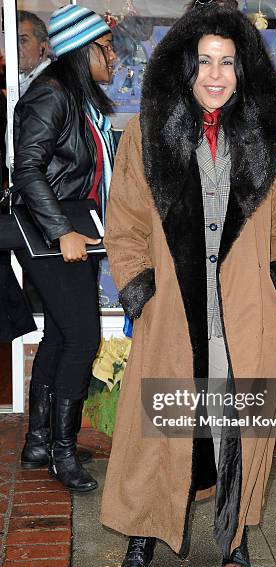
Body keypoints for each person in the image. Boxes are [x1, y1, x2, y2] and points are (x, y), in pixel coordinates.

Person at [101, 2, 276, 567]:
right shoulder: (148, 131)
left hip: (246, 315)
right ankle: (142, 539)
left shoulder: (271, 136)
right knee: (160, 427)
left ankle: (236, 535)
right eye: (204, 62)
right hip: (174, 310)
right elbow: (123, 224)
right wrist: (140, 290)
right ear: (183, 68)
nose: (215, 75)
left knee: (238, 429)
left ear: (243, 69)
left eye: (227, 62)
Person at [12, 4, 117, 492]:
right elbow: (27, 171)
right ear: (83, 50)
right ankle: (62, 452)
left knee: (60, 336)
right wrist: (61, 231)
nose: (113, 56)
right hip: (52, 231)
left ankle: (40, 441)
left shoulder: (75, 97)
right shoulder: (50, 96)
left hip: (71, 225)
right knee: (81, 339)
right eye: (106, 47)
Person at [17, 11, 52, 96]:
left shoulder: (46, 86)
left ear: (43, 46)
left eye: (23, 40)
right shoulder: (23, 77)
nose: (17, 47)